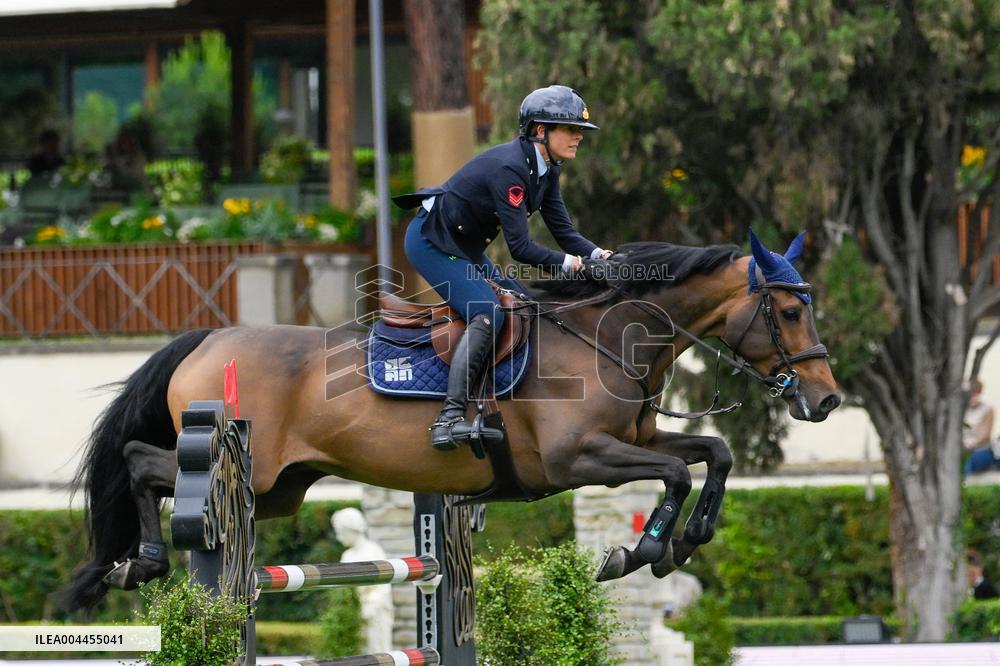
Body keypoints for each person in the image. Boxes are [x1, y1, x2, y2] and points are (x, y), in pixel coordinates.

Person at [393, 85, 613, 450]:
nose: (578, 137)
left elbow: (564, 231)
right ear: (540, 131)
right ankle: (448, 419)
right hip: (433, 243)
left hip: (462, 246)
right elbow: (521, 249)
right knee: (488, 313)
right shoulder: (511, 169)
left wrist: (600, 255)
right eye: (570, 129)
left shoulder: (546, 170)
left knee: (523, 303)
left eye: (580, 131)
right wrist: (574, 264)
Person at [331, 508, 394, 652]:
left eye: (341, 532)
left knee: (378, 650)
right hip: (355, 614)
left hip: (375, 613)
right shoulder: (347, 556)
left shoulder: (373, 551)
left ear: (351, 529)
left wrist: (371, 605)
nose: (338, 537)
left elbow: (384, 585)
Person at [963, 380, 995, 475]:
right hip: (961, 449)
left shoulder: (987, 409)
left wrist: (969, 443)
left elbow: (985, 433)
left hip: (980, 451)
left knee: (968, 462)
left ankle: (963, 486)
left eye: (975, 394)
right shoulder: (960, 409)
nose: (972, 398)